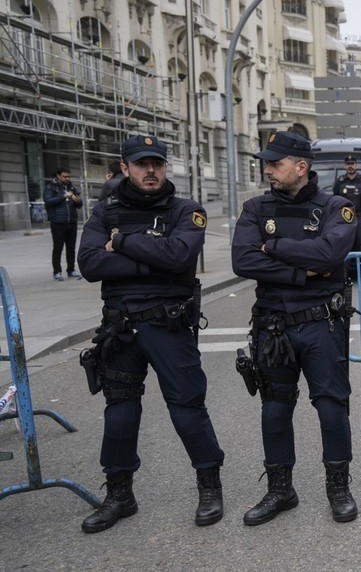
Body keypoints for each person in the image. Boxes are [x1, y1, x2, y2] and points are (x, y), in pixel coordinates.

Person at [76, 135, 225, 533]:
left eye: (157, 163)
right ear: (125, 168)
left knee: (187, 409)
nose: (150, 171)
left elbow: (179, 258)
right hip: (120, 328)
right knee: (120, 412)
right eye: (141, 164)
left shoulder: (185, 210)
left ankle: (210, 486)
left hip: (168, 325)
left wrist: (122, 244)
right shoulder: (105, 211)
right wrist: (152, 259)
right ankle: (120, 494)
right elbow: (90, 263)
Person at [231, 131, 360, 526]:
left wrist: (272, 247)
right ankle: (280, 490)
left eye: (275, 163)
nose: (267, 170)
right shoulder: (255, 208)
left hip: (321, 324)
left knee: (331, 408)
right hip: (273, 326)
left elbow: (330, 252)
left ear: (300, 167)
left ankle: (338, 487)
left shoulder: (337, 206)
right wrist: (305, 271)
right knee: (274, 409)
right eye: (266, 164)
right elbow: (242, 261)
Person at [333, 155, 361, 285]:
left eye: (352, 163)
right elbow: (335, 199)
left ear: (356, 165)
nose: (350, 166)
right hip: (345, 218)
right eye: (348, 164)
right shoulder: (340, 182)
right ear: (344, 166)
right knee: (346, 245)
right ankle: (343, 277)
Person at [44, 166, 84, 280]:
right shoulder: (50, 187)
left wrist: (77, 200)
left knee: (71, 248)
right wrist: (63, 196)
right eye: (65, 176)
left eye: (69, 176)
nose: (67, 178)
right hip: (57, 221)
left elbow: (79, 205)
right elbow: (48, 202)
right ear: (58, 176)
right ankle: (57, 272)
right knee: (58, 247)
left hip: (71, 221)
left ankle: (71, 270)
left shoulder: (71, 187)